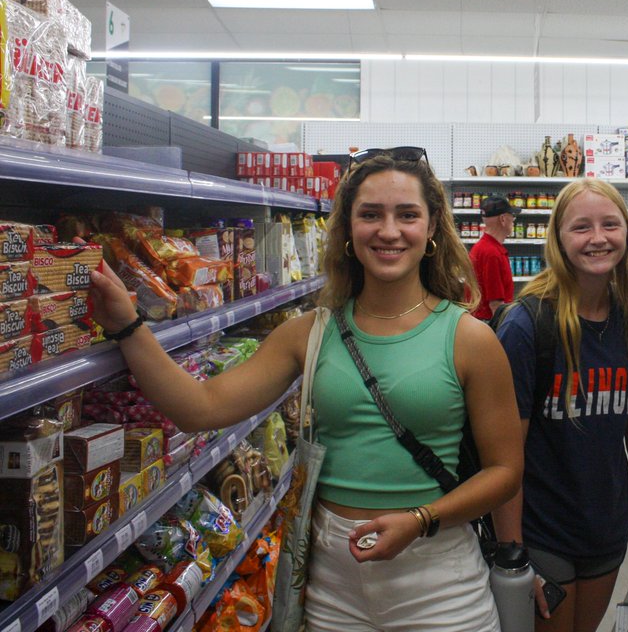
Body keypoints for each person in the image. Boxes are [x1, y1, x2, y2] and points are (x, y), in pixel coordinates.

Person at [87, 146, 523, 632]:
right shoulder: (309, 333)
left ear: (432, 227)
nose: (389, 230)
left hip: (440, 581)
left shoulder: (468, 339)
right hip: (333, 585)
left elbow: (505, 471)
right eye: (370, 214)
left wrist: (421, 519)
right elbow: (199, 408)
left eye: (407, 215)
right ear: (348, 229)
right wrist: (128, 327)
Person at [491, 178, 628, 632]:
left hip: (607, 527)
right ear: (558, 238)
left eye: (610, 224)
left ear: (627, 232)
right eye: (581, 227)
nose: (598, 238)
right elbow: (505, 456)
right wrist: (512, 553)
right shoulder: (527, 325)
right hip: (541, 531)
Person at [470, 194, 519, 321]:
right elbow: (496, 305)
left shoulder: (483, 247)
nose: (513, 220)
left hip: (480, 321)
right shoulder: (492, 253)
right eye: (512, 216)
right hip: (490, 323)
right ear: (503, 219)